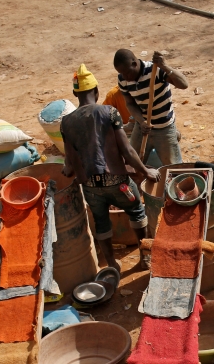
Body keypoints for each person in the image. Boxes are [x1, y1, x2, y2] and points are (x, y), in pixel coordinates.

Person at [60, 64, 158, 272]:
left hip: (90, 186)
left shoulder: (66, 122)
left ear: (76, 93)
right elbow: (127, 151)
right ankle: (144, 259)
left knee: (101, 221)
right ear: (96, 92)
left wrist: (69, 169)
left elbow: (69, 160)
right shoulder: (109, 113)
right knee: (136, 211)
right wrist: (145, 171)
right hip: (118, 182)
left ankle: (112, 263)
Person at [114, 48, 189, 167]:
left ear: (134, 64)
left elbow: (184, 84)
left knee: (173, 168)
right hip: (142, 127)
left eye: (127, 73)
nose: (125, 77)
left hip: (164, 128)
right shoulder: (122, 79)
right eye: (122, 73)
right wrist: (142, 121)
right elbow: (130, 103)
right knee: (133, 165)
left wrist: (165, 66)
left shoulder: (156, 70)